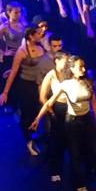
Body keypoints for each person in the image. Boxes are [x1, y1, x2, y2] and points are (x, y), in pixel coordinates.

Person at [31, 57, 96, 191]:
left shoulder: (88, 82)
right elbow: (49, 102)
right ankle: (80, 184)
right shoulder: (65, 85)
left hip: (87, 120)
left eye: (84, 66)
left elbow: (94, 103)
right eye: (80, 67)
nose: (83, 69)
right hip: (73, 122)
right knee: (75, 153)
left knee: (95, 151)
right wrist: (38, 118)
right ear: (72, 69)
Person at [0, 15, 51, 155]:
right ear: (31, 36)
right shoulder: (22, 51)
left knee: (43, 112)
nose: (41, 34)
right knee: (29, 114)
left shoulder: (41, 47)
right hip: (27, 87)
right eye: (38, 33)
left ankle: (43, 137)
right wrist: (5, 92)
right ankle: (29, 141)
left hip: (41, 84)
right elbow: (14, 72)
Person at [38, 41, 72, 183]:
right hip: (56, 109)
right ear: (57, 61)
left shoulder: (70, 73)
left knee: (73, 139)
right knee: (57, 141)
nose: (67, 63)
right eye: (65, 61)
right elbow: (42, 97)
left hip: (70, 109)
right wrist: (51, 112)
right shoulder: (51, 75)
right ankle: (55, 170)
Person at [0, 0, 25, 99]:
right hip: (11, 56)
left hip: (23, 54)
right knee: (10, 80)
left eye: (20, 12)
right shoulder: (5, 26)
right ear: (9, 12)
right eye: (16, 12)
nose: (19, 15)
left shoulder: (23, 24)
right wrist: (2, 52)